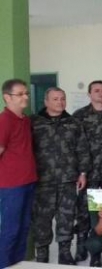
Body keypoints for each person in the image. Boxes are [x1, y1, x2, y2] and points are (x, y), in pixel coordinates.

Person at [31, 87, 90, 264]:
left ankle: (65, 253)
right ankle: (42, 255)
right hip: (43, 180)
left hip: (68, 179)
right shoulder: (34, 123)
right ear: (46, 101)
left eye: (63, 98)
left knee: (66, 217)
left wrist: (83, 173)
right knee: (42, 220)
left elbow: (82, 149)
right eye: (55, 99)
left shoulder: (73, 123)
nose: (60, 102)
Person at [72, 80, 102, 262]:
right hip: (89, 172)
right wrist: (79, 171)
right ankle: (82, 247)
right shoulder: (79, 115)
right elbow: (74, 146)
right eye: (97, 90)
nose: (101, 93)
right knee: (84, 211)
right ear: (89, 94)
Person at [0, 79, 38, 268]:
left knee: (24, 229)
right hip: (11, 186)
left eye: (26, 93)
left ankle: (18, 264)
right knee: (10, 230)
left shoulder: (24, 120)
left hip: (29, 182)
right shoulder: (4, 120)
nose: (25, 97)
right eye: (20, 94)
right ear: (7, 97)